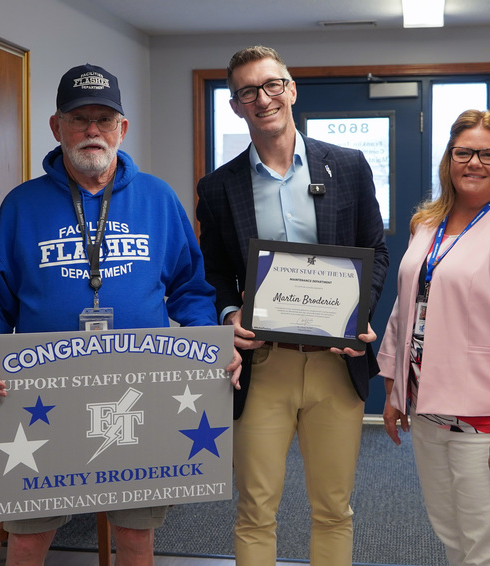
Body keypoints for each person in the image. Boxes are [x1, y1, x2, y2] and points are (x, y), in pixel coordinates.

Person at [0, 63, 236, 566]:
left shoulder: (158, 199)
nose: (92, 130)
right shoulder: (22, 206)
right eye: (79, 118)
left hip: (142, 393)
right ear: (56, 127)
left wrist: (207, 342)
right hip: (41, 397)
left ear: (122, 129)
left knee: (135, 536)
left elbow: (190, 289)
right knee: (27, 538)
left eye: (104, 119)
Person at [195, 45, 389, 565]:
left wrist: (359, 315)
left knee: (333, 508)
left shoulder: (347, 166)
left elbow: (376, 250)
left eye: (272, 85)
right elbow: (211, 271)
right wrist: (227, 314)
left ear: (291, 89)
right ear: (236, 106)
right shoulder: (218, 188)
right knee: (256, 509)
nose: (263, 99)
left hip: (335, 364)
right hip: (263, 366)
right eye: (248, 92)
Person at [377, 110, 490, 566]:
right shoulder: (427, 226)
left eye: (487, 153)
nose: (474, 162)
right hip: (428, 411)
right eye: (463, 152)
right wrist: (394, 386)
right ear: (449, 158)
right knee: (453, 537)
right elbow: (407, 307)